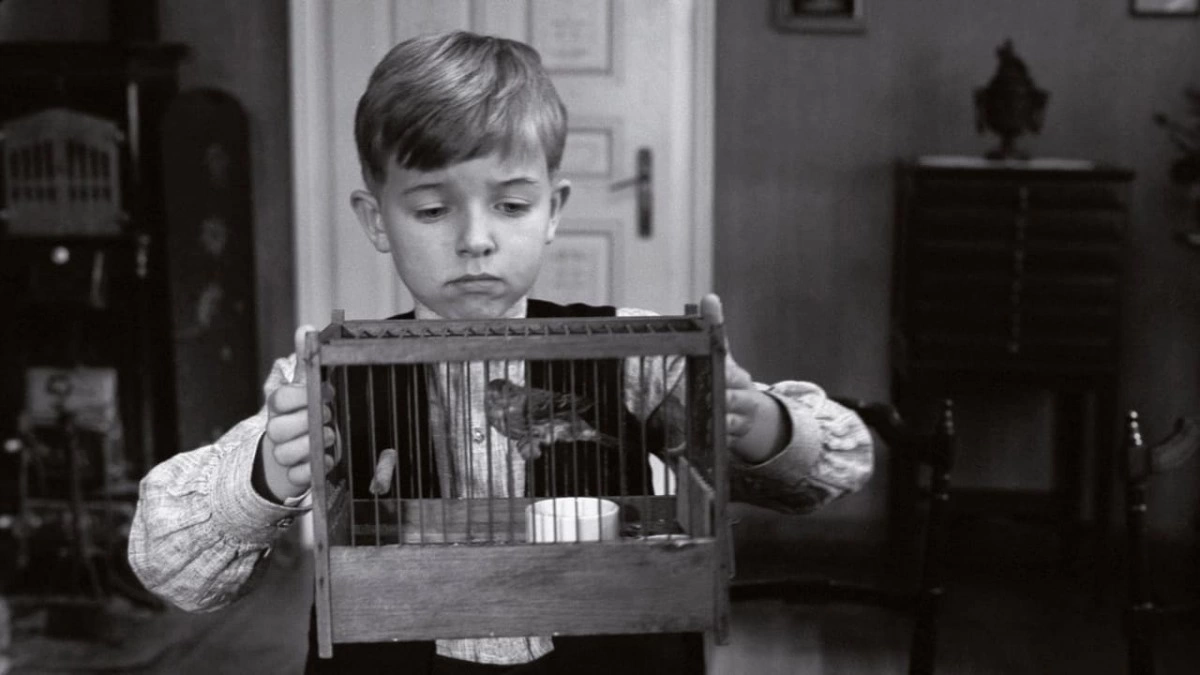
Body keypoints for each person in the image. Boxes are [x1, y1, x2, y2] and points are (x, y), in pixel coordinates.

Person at [128, 31, 873, 674]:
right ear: (377, 219)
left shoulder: (634, 349)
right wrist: (267, 473)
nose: (476, 239)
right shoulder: (328, 376)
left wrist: (757, 422)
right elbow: (167, 564)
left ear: (554, 211)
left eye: (512, 205)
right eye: (431, 208)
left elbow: (837, 468)